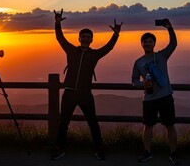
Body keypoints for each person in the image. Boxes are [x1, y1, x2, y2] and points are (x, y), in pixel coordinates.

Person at [51, 9, 122, 160]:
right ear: (79, 39)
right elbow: (60, 39)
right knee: (63, 122)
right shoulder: (71, 50)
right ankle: (59, 148)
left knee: (93, 123)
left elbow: (108, 48)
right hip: (69, 92)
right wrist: (57, 24)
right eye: (83, 37)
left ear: (91, 40)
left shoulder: (94, 54)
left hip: (85, 94)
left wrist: (115, 35)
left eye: (87, 37)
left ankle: (99, 148)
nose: (85, 39)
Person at [131, 18, 179, 165]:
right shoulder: (138, 62)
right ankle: (147, 152)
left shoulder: (161, 56)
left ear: (154, 43)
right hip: (149, 98)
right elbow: (134, 79)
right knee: (148, 126)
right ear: (141, 44)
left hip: (165, 96)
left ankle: (173, 152)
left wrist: (170, 29)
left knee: (170, 125)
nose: (147, 43)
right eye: (145, 41)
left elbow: (173, 44)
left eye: (150, 41)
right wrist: (142, 84)